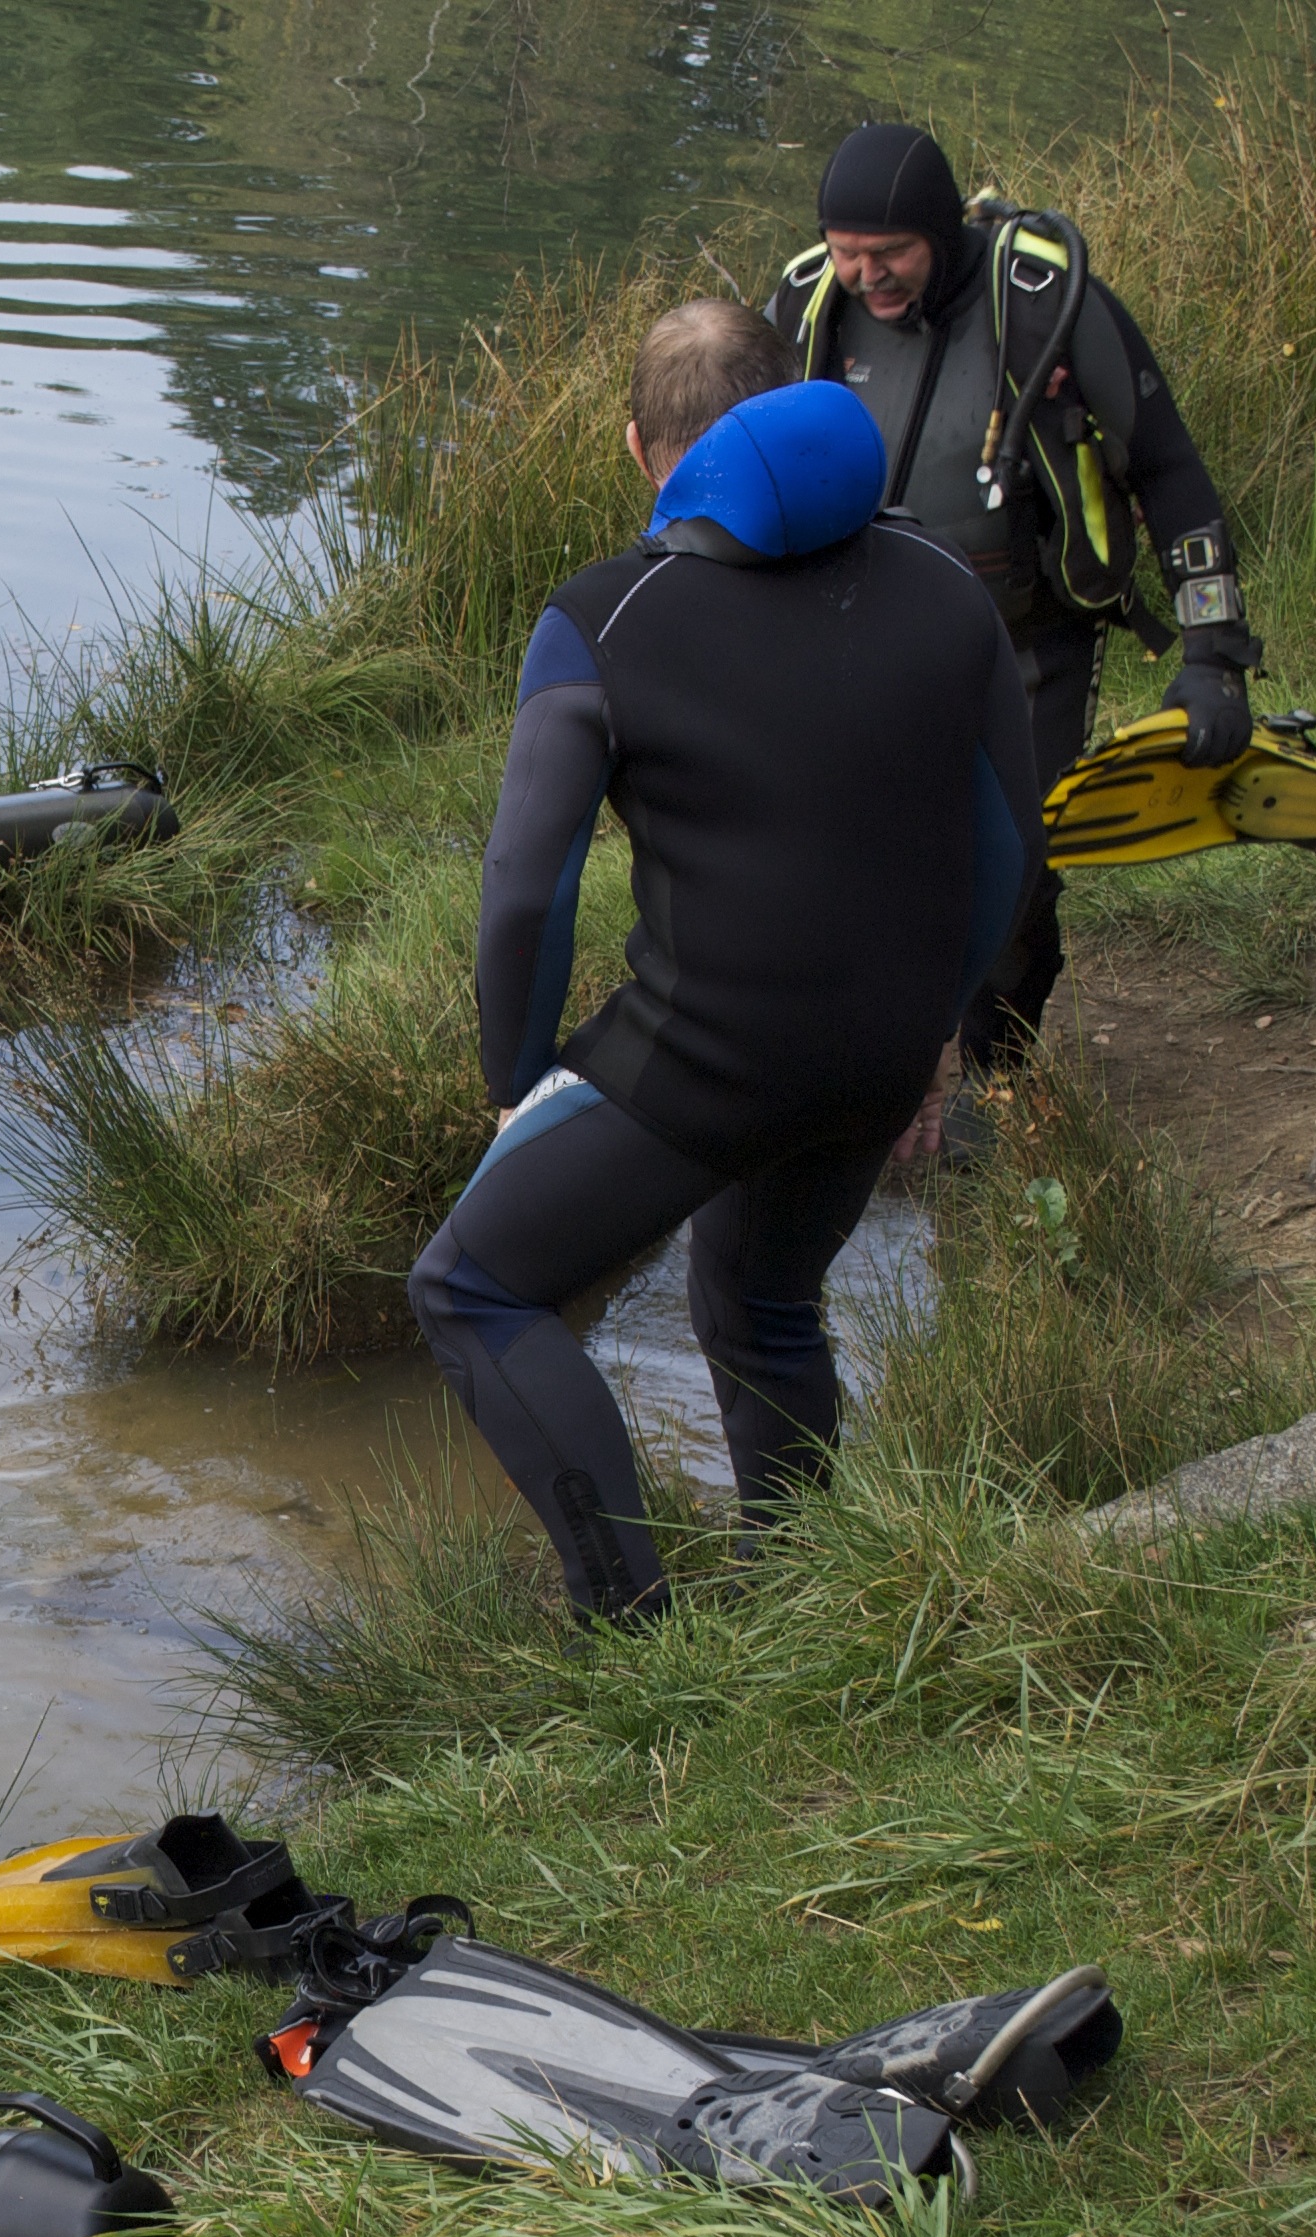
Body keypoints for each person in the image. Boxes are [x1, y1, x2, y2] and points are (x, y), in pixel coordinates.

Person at [408, 303, 1042, 1623]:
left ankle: (632, 1631)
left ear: (646, 449)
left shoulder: (604, 619)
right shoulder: (940, 584)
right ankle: (802, 1598)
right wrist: (933, 1034)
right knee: (759, 1295)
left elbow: (528, 885)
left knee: (472, 1285)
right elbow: (1007, 844)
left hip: (710, 1055)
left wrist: (517, 1081)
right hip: (878, 1052)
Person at [771, 122, 1259, 1070]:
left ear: (942, 230)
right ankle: (863, 1076)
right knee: (855, 865)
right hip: (861, 640)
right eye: (848, 253)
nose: (868, 277)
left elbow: (1171, 473)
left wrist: (1214, 656)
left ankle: (1000, 1075)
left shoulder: (1045, 303)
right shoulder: (806, 304)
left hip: (1028, 647)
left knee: (1012, 875)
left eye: (891, 254)